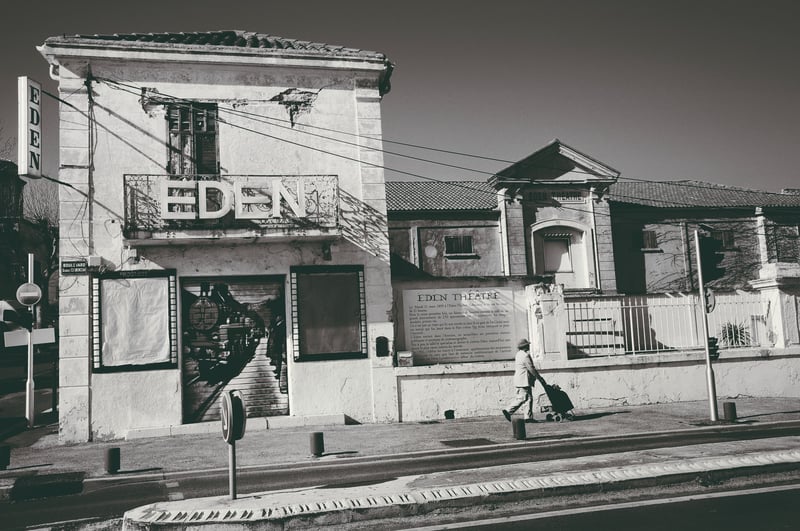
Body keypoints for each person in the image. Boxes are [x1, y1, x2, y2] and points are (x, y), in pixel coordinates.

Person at [502, 338, 540, 423]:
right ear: (525, 346)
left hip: (520, 379)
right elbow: (531, 368)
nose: (529, 346)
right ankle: (508, 410)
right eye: (528, 345)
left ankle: (528, 417)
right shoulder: (525, 355)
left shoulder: (518, 354)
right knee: (522, 398)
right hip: (524, 380)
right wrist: (538, 377)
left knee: (528, 398)